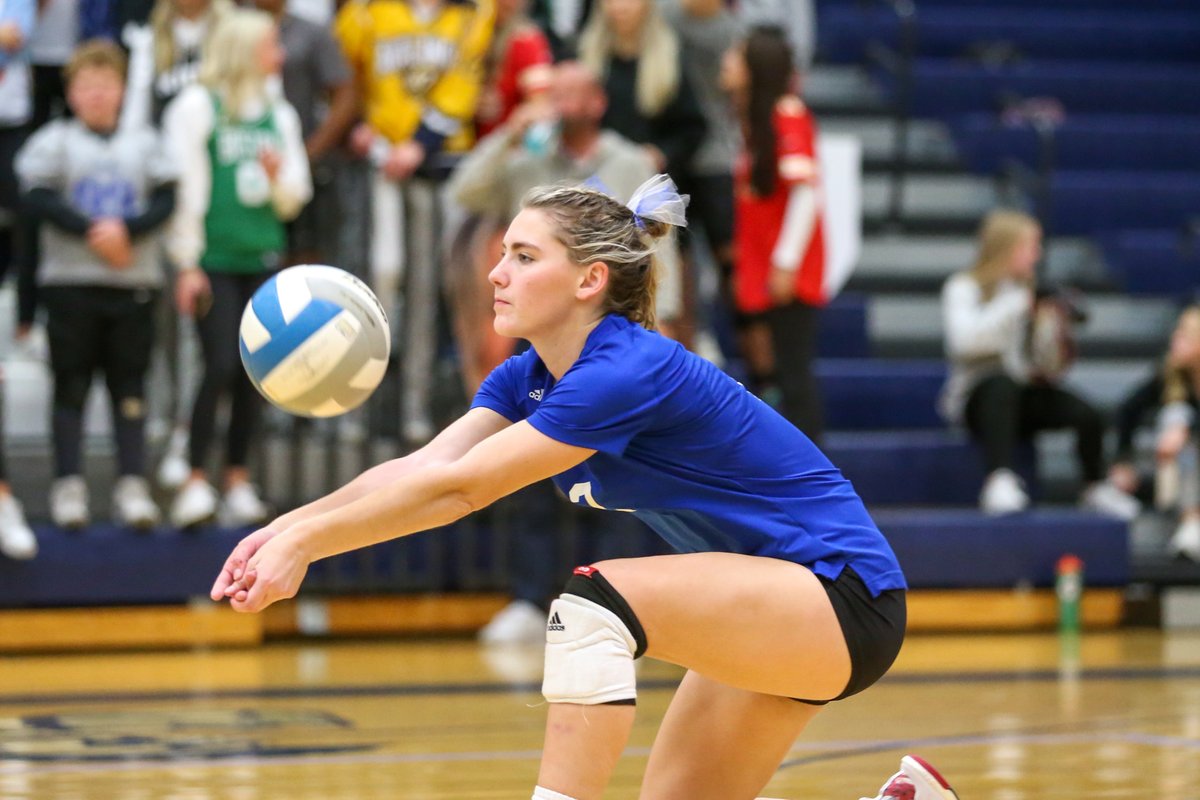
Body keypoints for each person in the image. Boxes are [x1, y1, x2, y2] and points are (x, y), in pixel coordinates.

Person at [209, 174, 958, 800]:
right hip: (775, 600)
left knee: (593, 602)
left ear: (589, 280)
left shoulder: (625, 367)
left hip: (838, 595)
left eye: (523, 255)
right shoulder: (530, 375)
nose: (495, 273)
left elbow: (461, 493)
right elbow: (423, 471)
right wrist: (284, 531)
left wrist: (307, 546)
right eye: (501, 253)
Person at [16, 39, 176, 529]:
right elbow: (37, 200)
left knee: (130, 386)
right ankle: (69, 486)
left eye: (106, 85)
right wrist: (94, 231)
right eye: (87, 85)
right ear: (71, 92)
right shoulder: (53, 142)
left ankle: (132, 484)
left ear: (123, 90)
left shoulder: (145, 144)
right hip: (70, 285)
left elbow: (167, 200)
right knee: (71, 385)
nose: (98, 95)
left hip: (133, 286)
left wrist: (127, 231)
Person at [163, 7, 311, 528]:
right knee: (221, 364)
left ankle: (237, 478)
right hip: (212, 261)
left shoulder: (280, 112)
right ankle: (193, 481)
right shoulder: (197, 106)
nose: (282, 55)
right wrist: (186, 263)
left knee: (257, 374)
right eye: (273, 45)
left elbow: (295, 199)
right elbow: (185, 191)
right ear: (245, 50)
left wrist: (277, 178)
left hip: (262, 260)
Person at [939, 209, 1139, 519]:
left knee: (1085, 413)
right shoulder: (964, 287)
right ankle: (999, 479)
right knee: (1000, 387)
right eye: (1031, 246)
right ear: (1007, 247)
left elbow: (1047, 367)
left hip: (1022, 392)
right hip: (977, 398)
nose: (1037, 254)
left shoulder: (1029, 294)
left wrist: (1053, 327)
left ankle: (1095, 484)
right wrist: (1016, 307)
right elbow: (963, 343)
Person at [722, 26, 826, 439]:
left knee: (794, 374)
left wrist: (786, 264)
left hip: (786, 270)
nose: (727, 62)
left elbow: (805, 195)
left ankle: (813, 483)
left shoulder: (788, 113)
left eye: (737, 55)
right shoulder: (755, 119)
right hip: (762, 263)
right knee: (775, 373)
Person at [1110, 305, 1200, 561]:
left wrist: (1186, 429)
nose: (1175, 340)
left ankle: (1192, 520)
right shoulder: (1171, 376)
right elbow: (1127, 411)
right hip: (1184, 473)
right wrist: (1123, 461)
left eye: (1183, 335)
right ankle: (1191, 520)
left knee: (1182, 431)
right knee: (1176, 423)